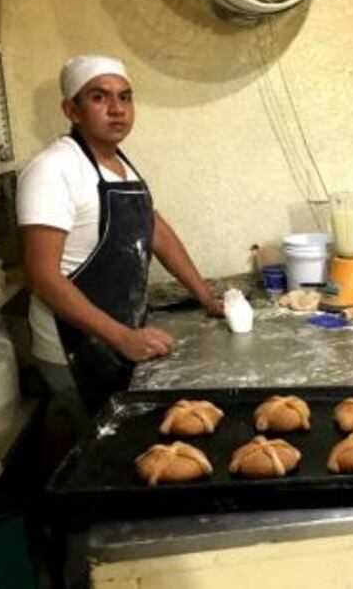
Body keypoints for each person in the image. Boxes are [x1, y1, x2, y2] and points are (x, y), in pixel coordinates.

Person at [17, 55, 223, 433]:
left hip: (118, 337)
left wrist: (206, 295)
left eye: (125, 97)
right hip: (74, 348)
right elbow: (41, 275)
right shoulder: (53, 169)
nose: (117, 110)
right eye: (99, 97)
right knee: (95, 453)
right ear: (71, 109)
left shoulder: (120, 164)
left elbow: (155, 229)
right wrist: (122, 337)